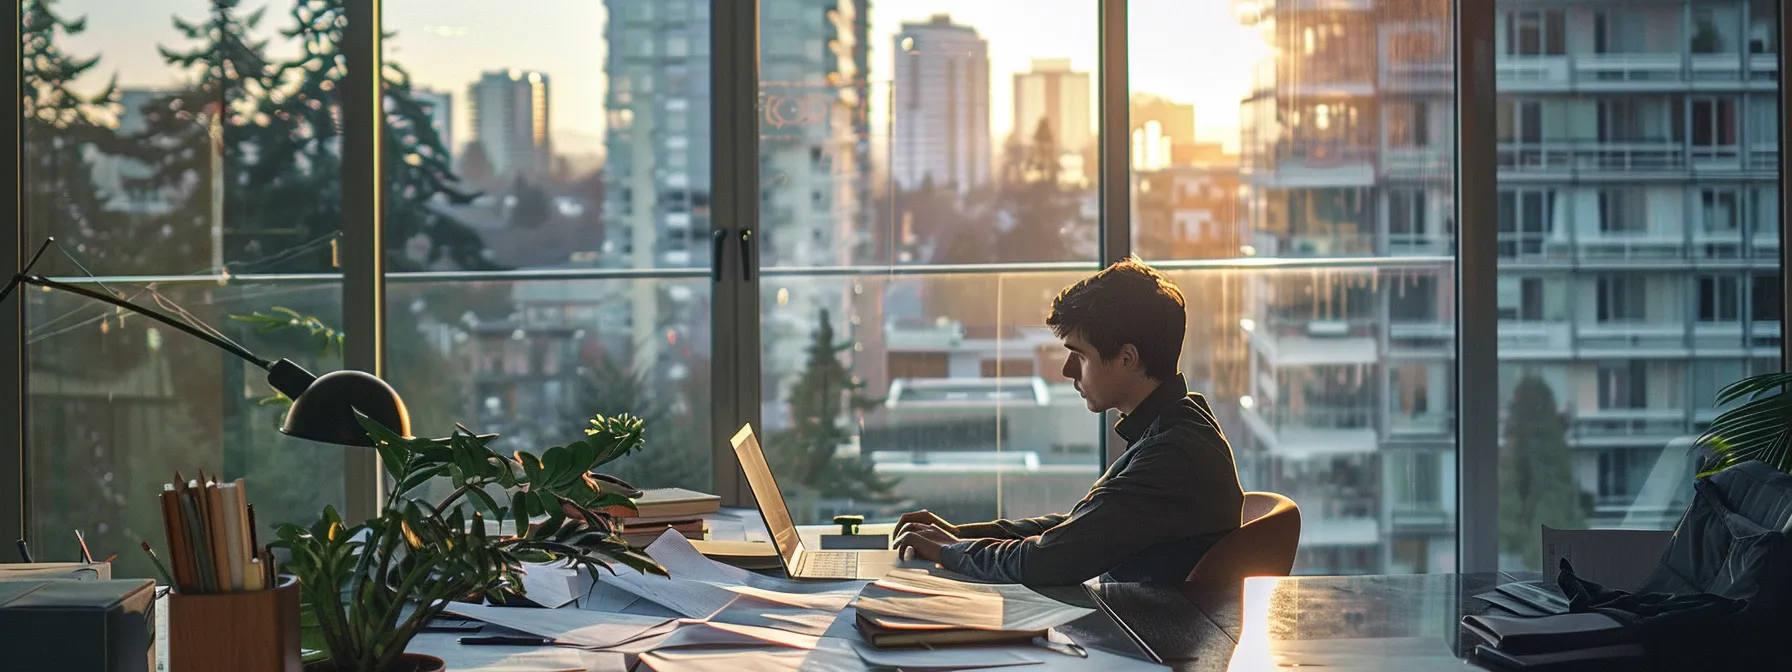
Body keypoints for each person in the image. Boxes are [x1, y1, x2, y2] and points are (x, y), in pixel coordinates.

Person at [892, 258, 1244, 586]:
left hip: (1151, 642)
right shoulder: (1179, 425)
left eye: (1080, 355)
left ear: (1127, 358)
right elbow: (1077, 528)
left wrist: (947, 551)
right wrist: (959, 536)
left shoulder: (1173, 455)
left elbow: (1051, 559)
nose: (1066, 371)